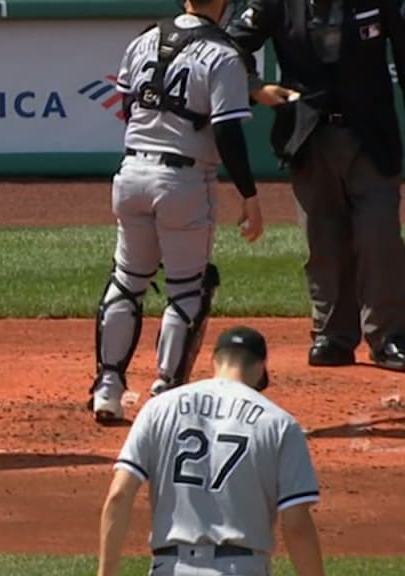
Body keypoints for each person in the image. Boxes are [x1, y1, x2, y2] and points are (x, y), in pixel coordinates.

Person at [90, 0, 265, 423]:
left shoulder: (144, 39)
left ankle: (107, 389)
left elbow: (131, 107)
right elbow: (227, 131)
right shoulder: (224, 54)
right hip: (183, 182)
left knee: (128, 281)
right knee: (187, 289)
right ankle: (167, 392)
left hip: (131, 172)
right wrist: (250, 195)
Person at [227, 0, 405, 371]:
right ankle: (332, 336)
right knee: (323, 239)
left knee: (380, 237)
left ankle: (388, 336)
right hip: (308, 135)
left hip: (371, 137)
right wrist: (255, 86)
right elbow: (227, 45)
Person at [97, 326, 326, 576]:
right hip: (241, 568)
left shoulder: (158, 409)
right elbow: (296, 526)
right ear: (261, 368)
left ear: (214, 361)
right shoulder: (279, 424)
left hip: (169, 567)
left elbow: (119, 495)